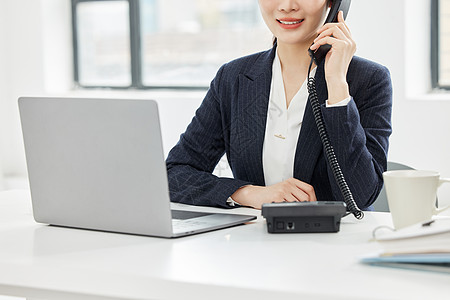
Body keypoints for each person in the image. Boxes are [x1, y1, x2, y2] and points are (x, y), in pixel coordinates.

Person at [166, 0, 392, 210]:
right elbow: (174, 174)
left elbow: (359, 196)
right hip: (252, 243)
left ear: (335, 3)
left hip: (335, 245)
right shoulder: (233, 78)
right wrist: (249, 194)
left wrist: (337, 88)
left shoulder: (368, 79)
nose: (286, 6)